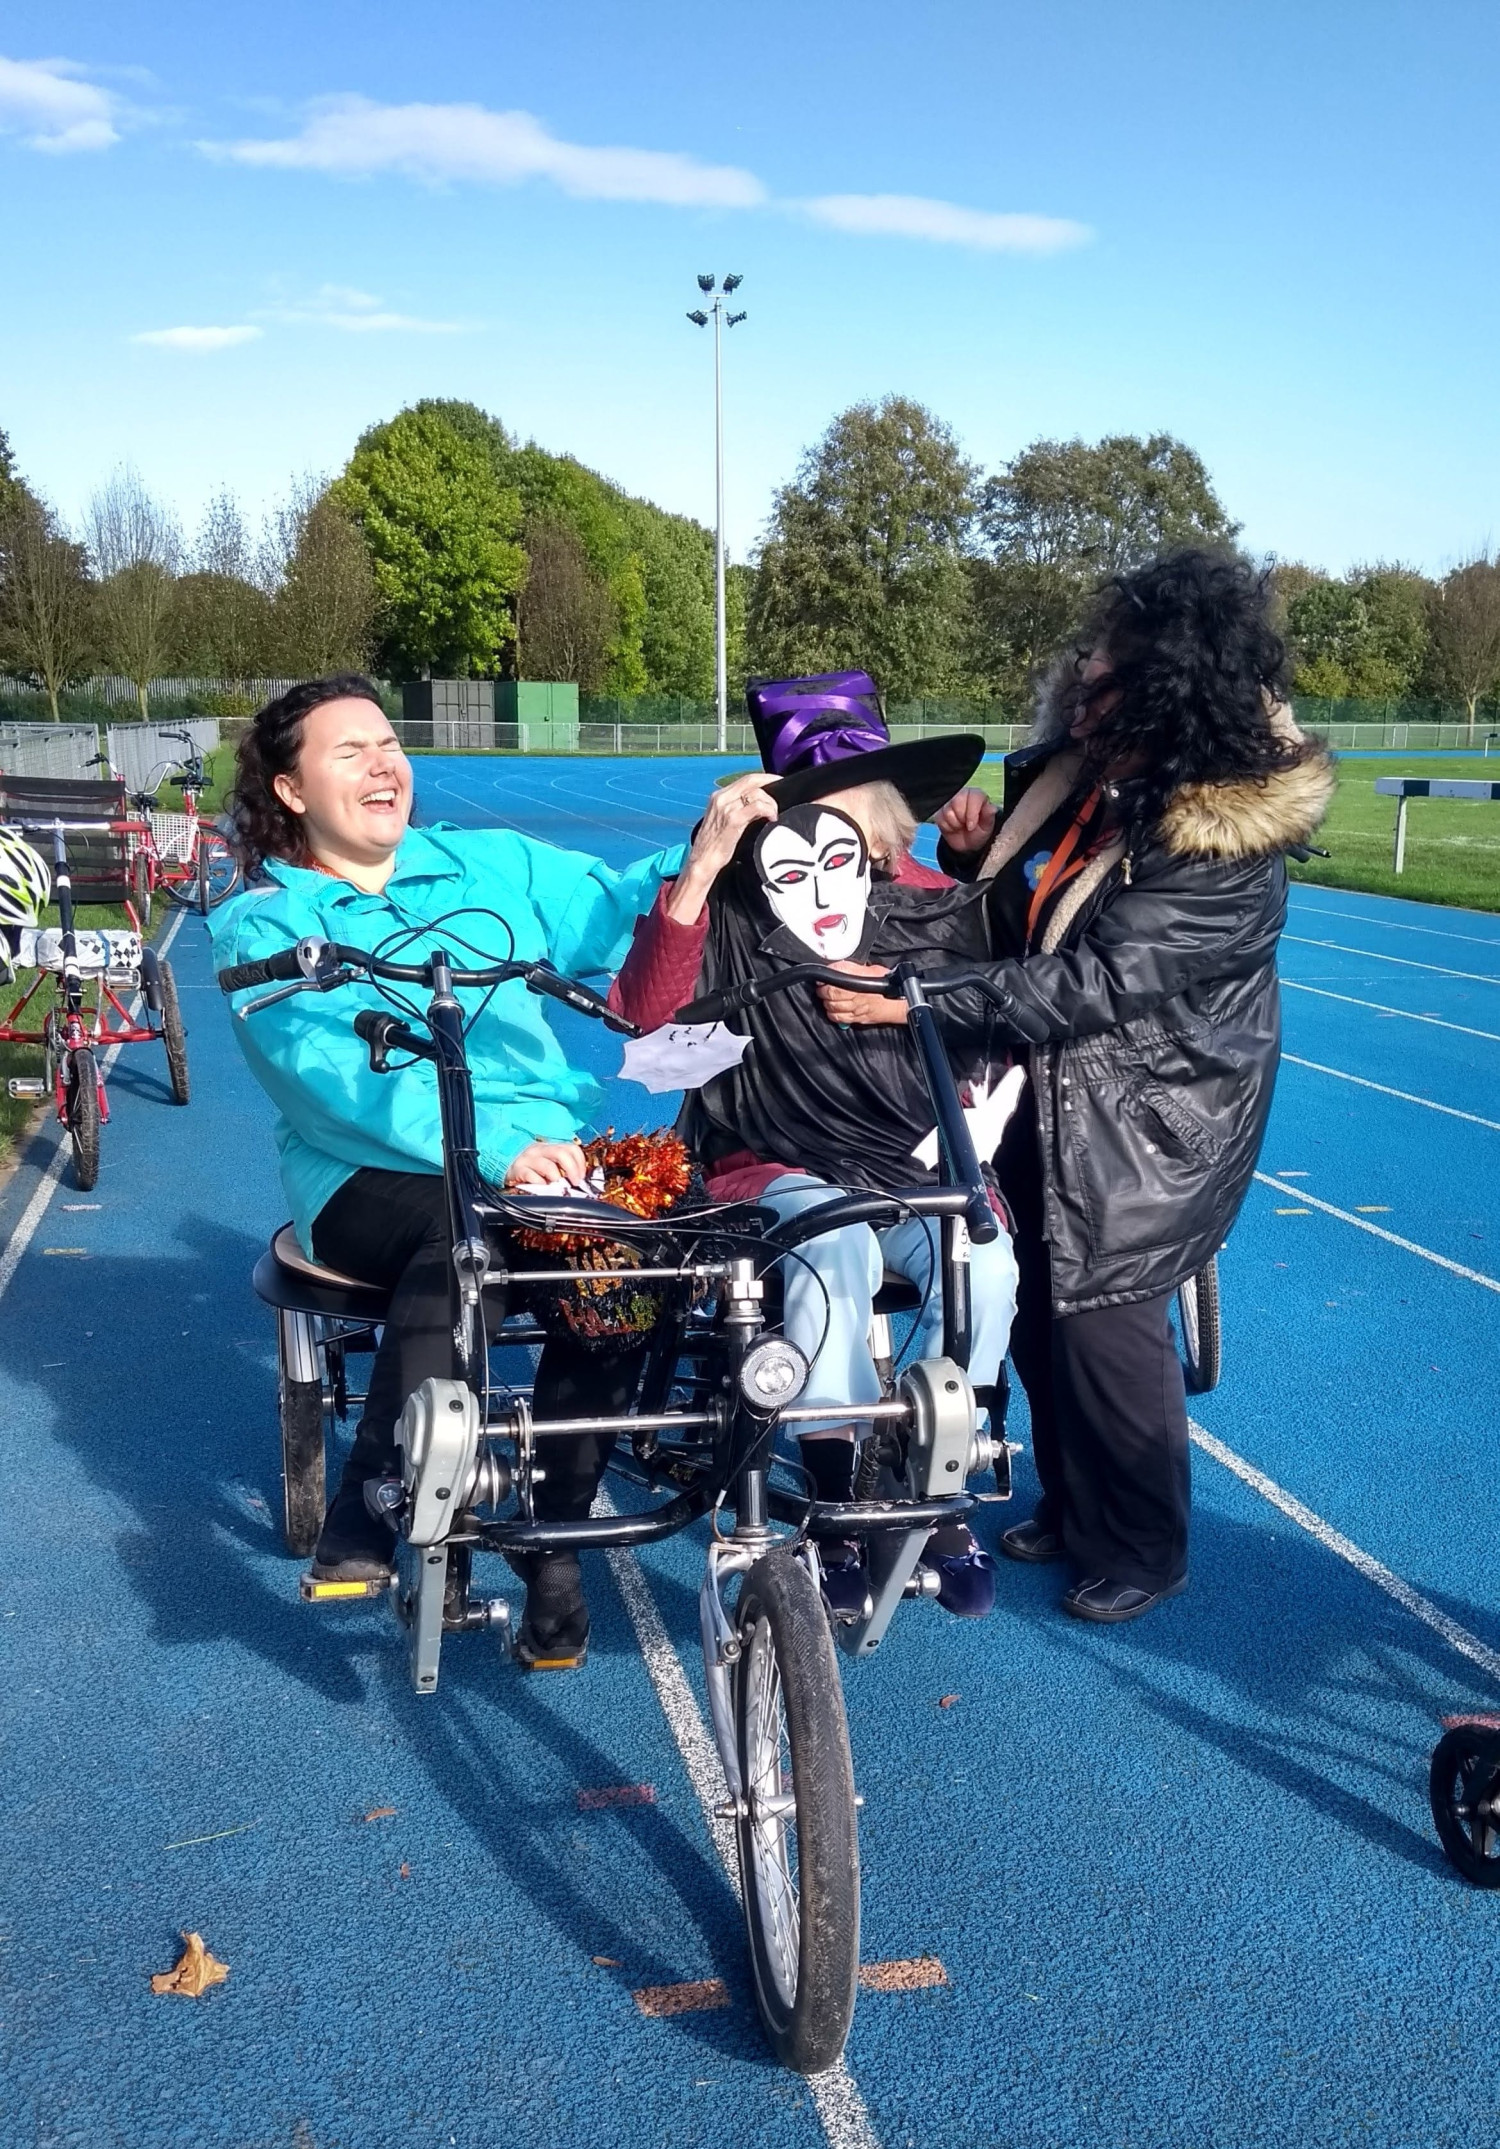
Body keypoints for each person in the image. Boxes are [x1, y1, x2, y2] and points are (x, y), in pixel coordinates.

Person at [212, 672, 775, 1665]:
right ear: (292, 790)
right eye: (350, 752)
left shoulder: (487, 864)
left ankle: (555, 1534)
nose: (386, 763)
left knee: (646, 1249)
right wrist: (494, 1153)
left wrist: (710, 848)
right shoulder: (265, 920)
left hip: (541, 1154)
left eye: (390, 745)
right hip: (369, 1173)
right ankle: (374, 1489)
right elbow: (328, 1077)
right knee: (459, 1225)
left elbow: (606, 909)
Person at [823, 551, 1335, 1623]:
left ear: (1165, 686)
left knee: (1106, 1325)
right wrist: (979, 869)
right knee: (1046, 1316)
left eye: (1108, 661)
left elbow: (1099, 981)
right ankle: (1075, 1507)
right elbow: (1038, 930)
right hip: (1062, 1095)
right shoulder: (1107, 790)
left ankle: (1146, 1547)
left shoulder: (1218, 839)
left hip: (1153, 1117)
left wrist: (918, 997)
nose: (1085, 668)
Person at [609, 670, 1020, 1618]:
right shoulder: (736, 903)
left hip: (909, 1157)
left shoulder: (926, 894)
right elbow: (644, 1018)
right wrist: (702, 869)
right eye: (796, 819)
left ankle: (936, 1475)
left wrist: (977, 868)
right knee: (831, 1248)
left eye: (843, 817)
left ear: (881, 820)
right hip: (773, 1157)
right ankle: (834, 1494)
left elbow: (1005, 991)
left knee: (985, 1262)